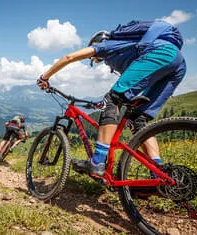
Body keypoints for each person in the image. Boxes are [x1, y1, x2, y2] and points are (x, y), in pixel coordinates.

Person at [36, 20, 186, 178]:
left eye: (95, 59)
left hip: (160, 53)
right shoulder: (126, 51)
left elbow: (69, 57)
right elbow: (136, 83)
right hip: (178, 63)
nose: (95, 60)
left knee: (112, 99)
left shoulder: (106, 46)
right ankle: (158, 175)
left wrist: (44, 78)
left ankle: (97, 162)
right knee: (138, 119)